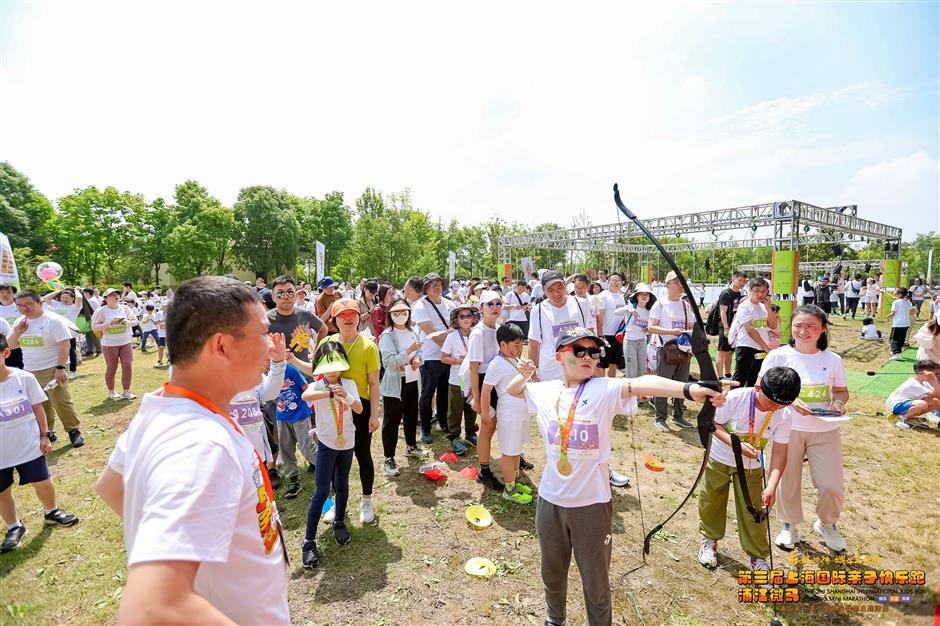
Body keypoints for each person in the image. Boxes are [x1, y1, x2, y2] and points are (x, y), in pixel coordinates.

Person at [93, 276, 289, 625]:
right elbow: (151, 608)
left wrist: (185, 541)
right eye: (261, 333)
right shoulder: (202, 444)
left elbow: (110, 487)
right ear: (222, 346)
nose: (270, 346)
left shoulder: (160, 410)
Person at [504, 326, 727, 626]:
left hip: (591, 505)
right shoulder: (546, 391)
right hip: (550, 501)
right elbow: (513, 390)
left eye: (593, 352)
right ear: (559, 356)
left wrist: (689, 389)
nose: (587, 357)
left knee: (595, 582)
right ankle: (554, 619)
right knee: (552, 571)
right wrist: (525, 372)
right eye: (578, 351)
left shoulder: (602, 388)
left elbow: (639, 383)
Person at [760, 305, 850, 553]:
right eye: (799, 325)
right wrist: (787, 399)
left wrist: (838, 403)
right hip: (787, 429)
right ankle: (789, 526)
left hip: (825, 430)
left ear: (822, 330)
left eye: (811, 326)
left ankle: (827, 523)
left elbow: (842, 391)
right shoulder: (778, 356)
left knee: (832, 486)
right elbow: (761, 387)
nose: (804, 331)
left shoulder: (833, 360)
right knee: (786, 482)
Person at [697, 367, 801, 572]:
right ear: (757, 388)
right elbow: (712, 422)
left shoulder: (784, 414)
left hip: (752, 466)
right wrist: (736, 445)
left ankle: (757, 556)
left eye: (781, 405)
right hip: (720, 458)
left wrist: (771, 485)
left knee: (755, 510)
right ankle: (709, 540)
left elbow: (780, 452)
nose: (774, 409)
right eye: (771, 403)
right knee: (711, 499)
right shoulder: (736, 399)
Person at [0, 333, 80, 553]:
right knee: (2, 490)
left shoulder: (24, 378)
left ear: (6, 353)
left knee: (42, 480)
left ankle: (51, 511)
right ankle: (14, 526)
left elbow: (38, 407)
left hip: (27, 445)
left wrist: (44, 435)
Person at [318, 298, 381, 524]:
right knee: (336, 457)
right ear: (334, 320)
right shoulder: (327, 342)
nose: (348, 318)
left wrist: (374, 415)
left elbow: (374, 383)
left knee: (363, 454)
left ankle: (366, 500)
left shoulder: (369, 346)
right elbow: (316, 371)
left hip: (359, 407)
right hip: (334, 408)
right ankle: (338, 502)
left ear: (358, 317)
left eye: (352, 313)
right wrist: (292, 360)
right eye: (342, 315)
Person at [301, 342, 363, 567]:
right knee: (321, 490)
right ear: (320, 366)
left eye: (337, 364)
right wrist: (328, 393)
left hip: (347, 442)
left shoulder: (349, 384)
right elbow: (306, 397)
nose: (334, 370)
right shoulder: (318, 386)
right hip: (327, 443)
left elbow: (359, 409)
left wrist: (345, 395)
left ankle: (339, 522)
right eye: (328, 364)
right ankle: (309, 542)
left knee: (342, 483)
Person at [7, 290, 84, 447]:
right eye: (19, 305)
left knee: (60, 400)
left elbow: (65, 345)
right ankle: (47, 432)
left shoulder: (53, 320)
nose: (24, 308)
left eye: (28, 304)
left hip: (53, 366)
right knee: (40, 403)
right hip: (30, 370)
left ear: (40, 302)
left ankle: (73, 431)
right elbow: (11, 345)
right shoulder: (20, 322)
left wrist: (61, 368)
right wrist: (17, 332)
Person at [481, 323, 534, 504]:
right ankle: (509, 489)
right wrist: (486, 413)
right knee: (509, 451)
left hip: (521, 412)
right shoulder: (496, 363)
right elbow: (486, 390)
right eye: (515, 343)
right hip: (509, 413)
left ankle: (515, 481)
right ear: (503, 344)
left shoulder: (516, 360)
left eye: (521, 343)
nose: (519, 347)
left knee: (516, 449)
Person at [229, 332, 287, 489]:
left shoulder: (251, 372)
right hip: (228, 458)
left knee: (258, 500)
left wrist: (278, 362)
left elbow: (270, 393)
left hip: (256, 453)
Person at [378, 299, 424, 475]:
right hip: (395, 384)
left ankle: (411, 446)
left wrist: (417, 358)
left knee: (412, 415)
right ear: (390, 315)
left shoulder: (412, 331)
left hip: (412, 380)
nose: (401, 316)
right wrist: (409, 351)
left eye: (404, 312)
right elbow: (389, 362)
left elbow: (420, 352)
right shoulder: (388, 335)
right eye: (396, 313)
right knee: (392, 421)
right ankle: (389, 458)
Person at [648, 271, 696, 432]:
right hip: (667, 349)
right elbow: (651, 327)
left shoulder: (685, 305)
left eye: (682, 281)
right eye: (676, 282)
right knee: (663, 384)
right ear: (668, 284)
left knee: (682, 384)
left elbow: (691, 326)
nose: (680, 285)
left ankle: (678, 415)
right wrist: (670, 331)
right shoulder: (660, 304)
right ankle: (660, 417)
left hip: (684, 349)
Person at [412, 272, 456, 443]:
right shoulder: (421, 306)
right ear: (426, 288)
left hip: (448, 356)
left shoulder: (450, 303)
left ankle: (443, 422)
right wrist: (448, 346)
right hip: (430, 356)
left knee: (445, 392)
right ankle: (425, 427)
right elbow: (432, 334)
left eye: (438, 283)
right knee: (427, 392)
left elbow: (457, 326)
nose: (436, 286)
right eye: (432, 284)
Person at [527, 270, 590, 383]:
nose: (556, 294)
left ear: (565, 286)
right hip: (550, 369)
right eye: (550, 290)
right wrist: (532, 374)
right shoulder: (538, 310)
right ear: (543, 290)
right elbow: (533, 344)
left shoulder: (581, 304)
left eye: (559, 288)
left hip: (577, 364)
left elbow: (588, 335)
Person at [441, 303, 480, 455]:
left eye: (468, 316)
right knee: (455, 409)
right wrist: (458, 361)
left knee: (472, 407)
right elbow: (443, 357)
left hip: (474, 378)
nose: (465, 319)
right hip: (456, 379)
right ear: (456, 320)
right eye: (461, 317)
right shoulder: (451, 337)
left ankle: (470, 433)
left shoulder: (477, 334)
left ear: (473, 318)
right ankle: (454, 437)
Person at [267, 275, 326, 371]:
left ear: (295, 295)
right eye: (280, 293)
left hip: (304, 374)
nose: (285, 297)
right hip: (276, 376)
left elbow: (323, 329)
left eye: (290, 292)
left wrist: (316, 352)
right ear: (273, 297)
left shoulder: (305, 315)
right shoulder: (264, 320)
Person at [728, 277, 779, 388]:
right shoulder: (744, 306)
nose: (760, 294)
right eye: (757, 291)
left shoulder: (763, 307)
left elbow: (773, 325)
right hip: (746, 347)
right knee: (739, 380)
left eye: (764, 291)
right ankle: (732, 402)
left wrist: (769, 308)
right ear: (750, 290)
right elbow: (750, 330)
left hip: (760, 348)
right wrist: (765, 347)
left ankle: (748, 404)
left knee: (754, 380)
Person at [91, 287, 139, 401]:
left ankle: (126, 391)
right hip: (109, 344)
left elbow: (135, 321)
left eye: (117, 294)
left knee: (127, 365)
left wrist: (127, 322)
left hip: (125, 342)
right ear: (106, 298)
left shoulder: (125, 308)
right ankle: (111, 392)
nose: (116, 296)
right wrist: (109, 324)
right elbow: (94, 327)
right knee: (112, 367)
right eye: (112, 294)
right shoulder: (101, 311)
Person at [41, 287, 87, 380]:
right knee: (57, 352)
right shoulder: (57, 304)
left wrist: (76, 290)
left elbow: (79, 298)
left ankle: (73, 371)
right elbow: (45, 299)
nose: (64, 299)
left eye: (67, 298)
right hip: (55, 333)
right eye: (63, 297)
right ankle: (60, 369)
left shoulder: (75, 307)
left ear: (72, 298)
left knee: (71, 351)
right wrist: (60, 291)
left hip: (69, 332)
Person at [885, 360, 940, 429]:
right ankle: (901, 418)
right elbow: (936, 394)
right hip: (895, 405)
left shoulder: (924, 383)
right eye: (934, 374)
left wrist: (933, 380)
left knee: (936, 402)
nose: (935, 375)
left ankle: (910, 417)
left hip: (906, 404)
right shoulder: (913, 384)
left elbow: (937, 395)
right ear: (925, 373)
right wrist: (934, 380)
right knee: (922, 404)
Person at [616, 282, 655, 381]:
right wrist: (629, 309)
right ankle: (630, 394)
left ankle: (637, 394)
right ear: (637, 296)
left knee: (641, 369)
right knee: (631, 370)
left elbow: (652, 328)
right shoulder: (631, 307)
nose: (644, 296)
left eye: (647, 294)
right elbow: (615, 312)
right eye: (642, 294)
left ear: (650, 297)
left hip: (642, 342)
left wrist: (648, 330)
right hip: (629, 341)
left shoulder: (649, 312)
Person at [596, 272, 627, 378]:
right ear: (608, 281)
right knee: (602, 365)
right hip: (605, 334)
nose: (616, 282)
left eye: (618, 280)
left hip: (618, 335)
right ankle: (600, 390)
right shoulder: (601, 296)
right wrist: (600, 335)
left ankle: (611, 388)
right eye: (613, 280)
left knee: (614, 363)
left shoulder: (621, 297)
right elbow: (598, 316)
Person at [887, 286, 913, 359]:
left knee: (893, 339)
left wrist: (887, 317)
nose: (894, 291)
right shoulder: (908, 302)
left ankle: (896, 353)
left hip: (898, 324)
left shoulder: (895, 302)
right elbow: (911, 312)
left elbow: (893, 313)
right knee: (901, 338)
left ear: (900, 294)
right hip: (906, 323)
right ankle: (897, 351)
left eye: (896, 291)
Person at [0, 284, 23, 368]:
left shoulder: (21, 307)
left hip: (20, 343)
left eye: (8, 292)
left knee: (23, 368)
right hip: (3, 346)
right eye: (2, 292)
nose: (4, 295)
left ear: (14, 294)